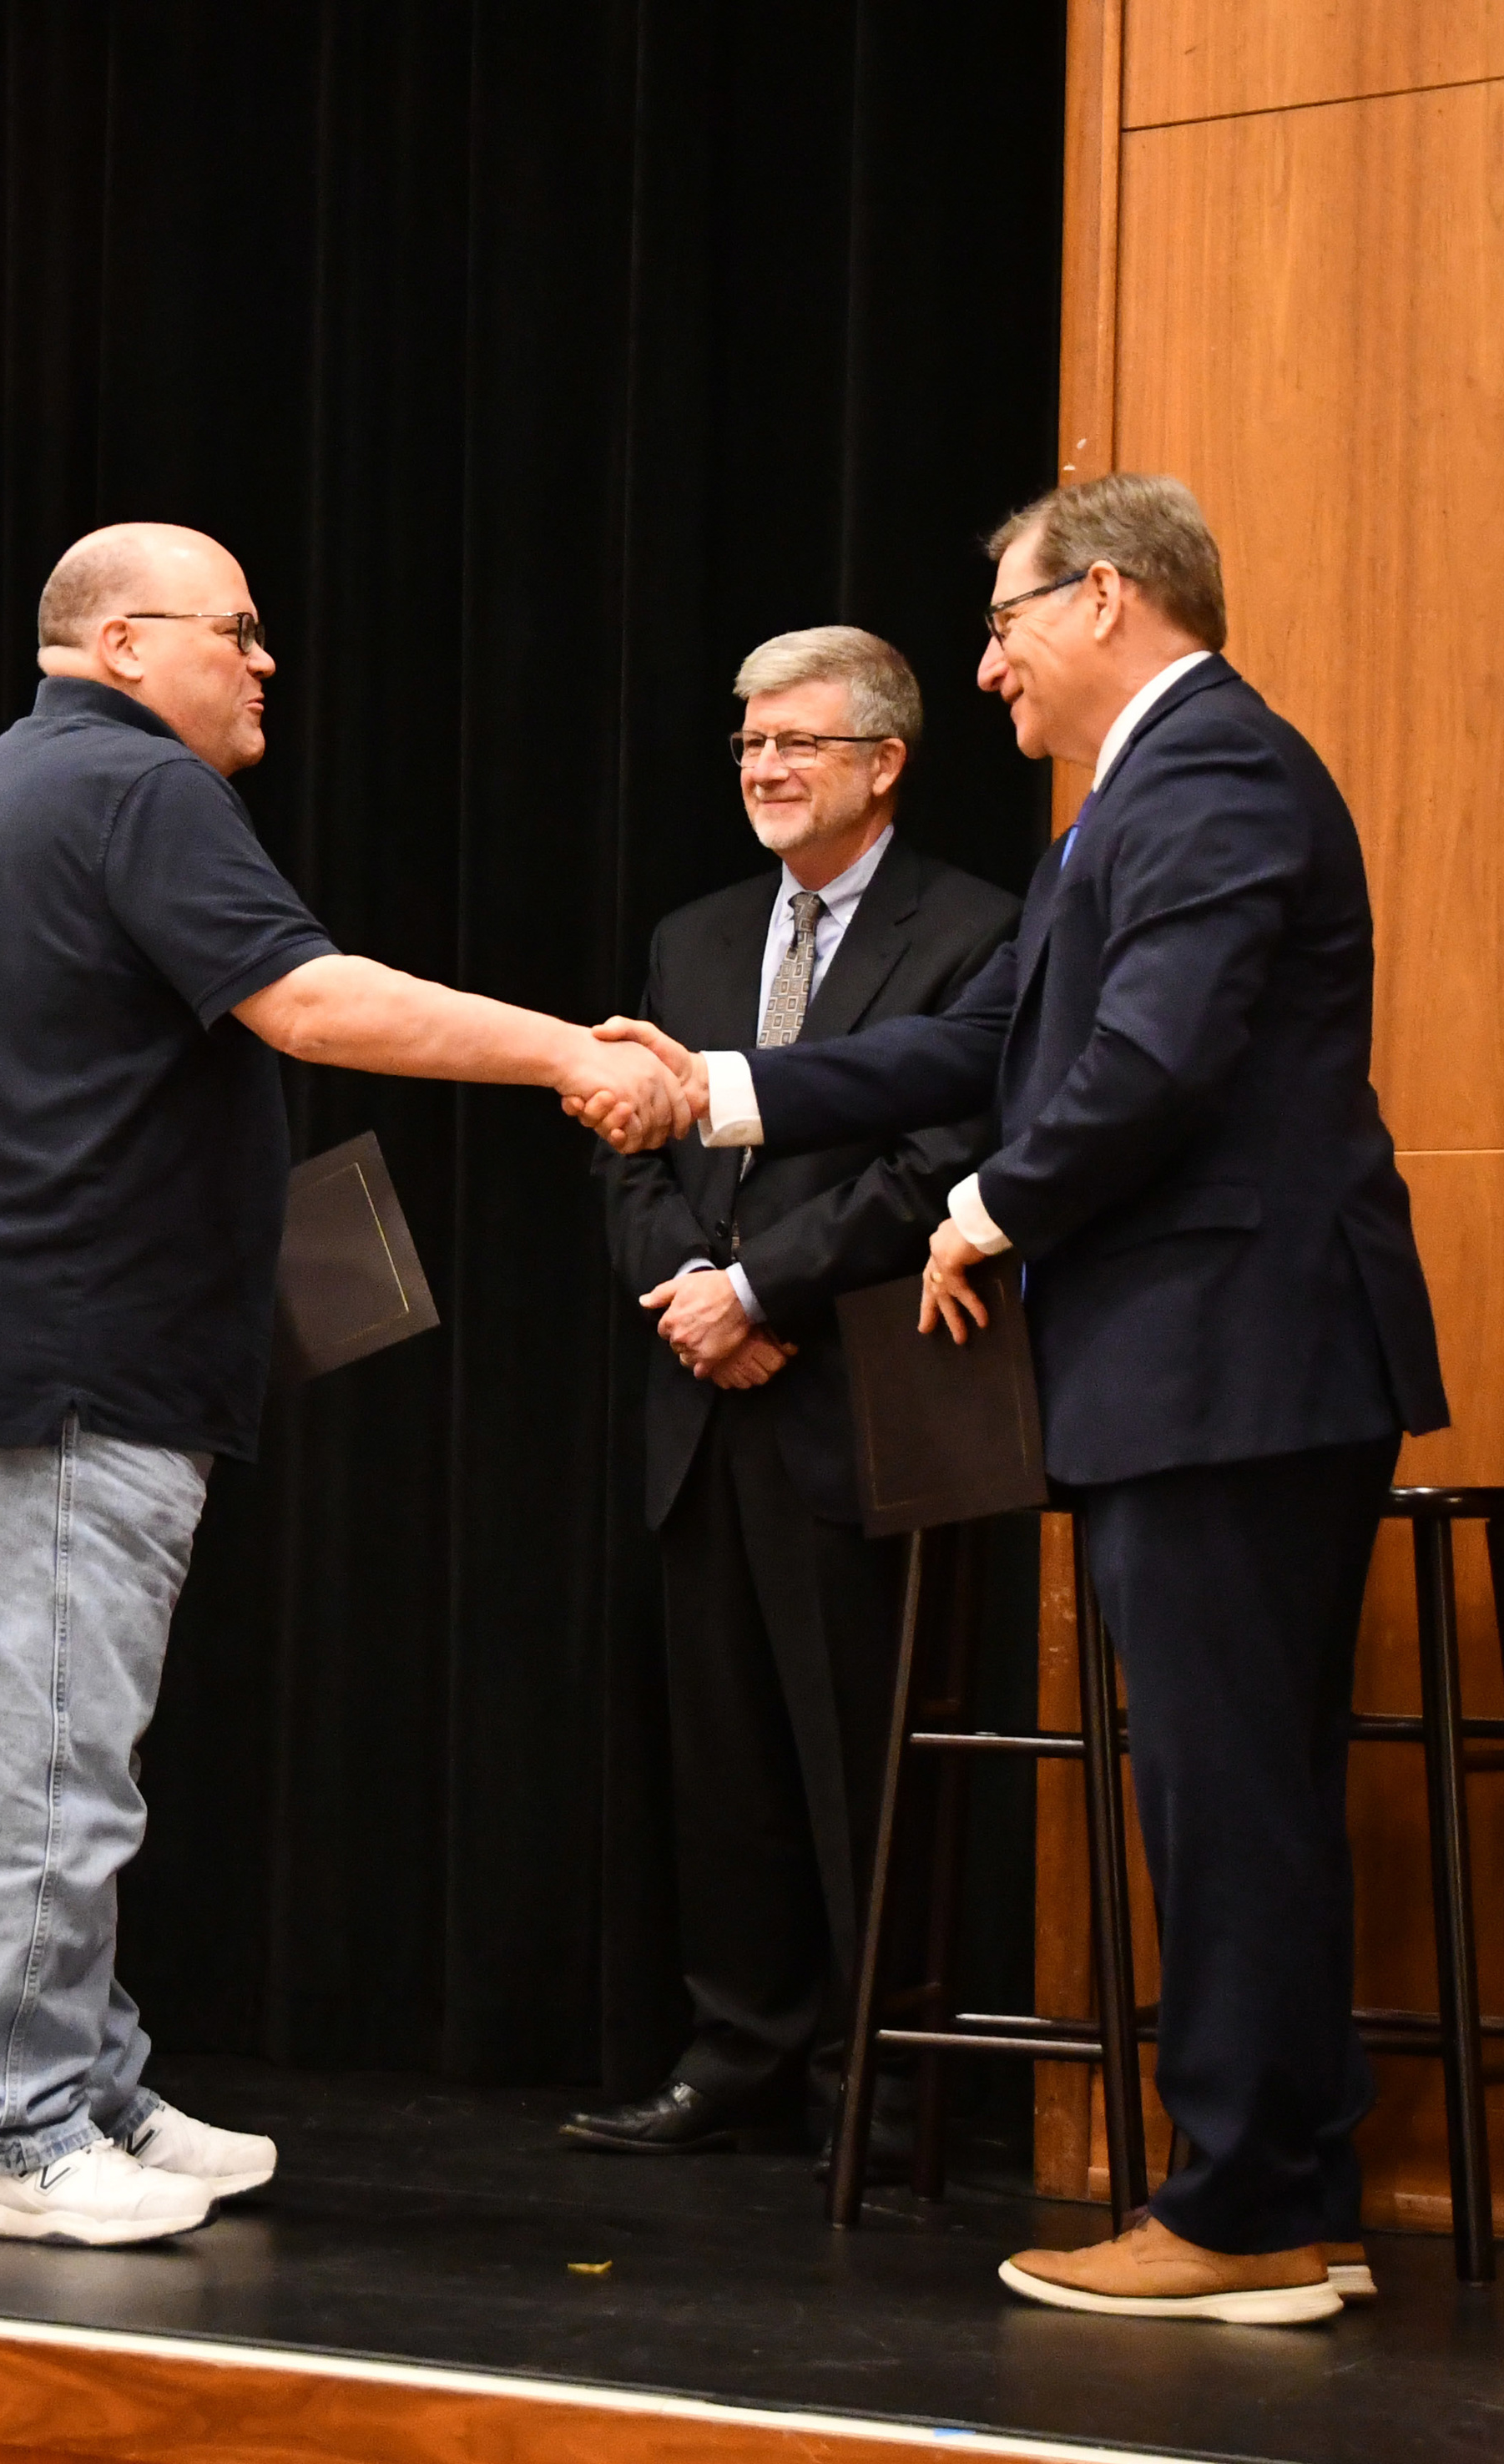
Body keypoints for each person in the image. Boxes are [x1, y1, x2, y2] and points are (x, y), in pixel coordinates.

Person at [584, 473, 1448, 2326]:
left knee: (1224, 1792)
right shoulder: (1128, 802)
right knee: (1241, 1790)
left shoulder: (1209, 775)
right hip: (1208, 1370)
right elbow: (986, 1044)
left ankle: (1241, 2214)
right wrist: (718, 1092)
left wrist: (980, 1210)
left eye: (1002, 624)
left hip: (1233, 1365)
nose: (985, 670)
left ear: (1105, 598)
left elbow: (1148, 1065)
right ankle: (1287, 2193)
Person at [0, 523, 688, 2249]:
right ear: (125, 645)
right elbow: (310, 1004)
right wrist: (565, 1052)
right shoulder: (137, 788)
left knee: (18, 1746)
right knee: (44, 1767)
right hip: (63, 1348)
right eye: (239, 630)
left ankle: (85, 2083)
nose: (265, 662)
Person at [563, 629, 1017, 2164]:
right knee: (727, 1758)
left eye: (797, 743)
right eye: (750, 742)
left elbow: (935, 1155)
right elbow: (629, 1148)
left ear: (884, 763)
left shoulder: (976, 931)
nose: (763, 767)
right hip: (704, 1396)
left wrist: (762, 1293)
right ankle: (735, 2055)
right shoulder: (693, 936)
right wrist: (694, 1297)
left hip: (864, 1399)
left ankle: (872, 2084)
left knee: (857, 1759)